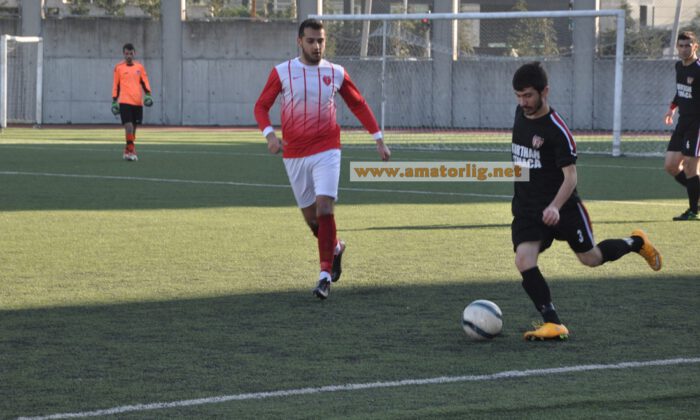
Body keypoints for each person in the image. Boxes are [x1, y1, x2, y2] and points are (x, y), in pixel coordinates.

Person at [510, 62, 662, 341]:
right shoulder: (521, 114)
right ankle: (553, 323)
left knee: (590, 258)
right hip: (528, 209)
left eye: (528, 95)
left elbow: (571, 178)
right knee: (524, 259)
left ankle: (636, 242)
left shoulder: (557, 131)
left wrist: (555, 206)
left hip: (564, 207)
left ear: (545, 91)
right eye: (518, 96)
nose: (523, 102)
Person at [254, 18, 391, 300]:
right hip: (294, 154)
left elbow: (358, 104)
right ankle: (336, 247)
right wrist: (270, 136)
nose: (317, 46)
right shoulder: (282, 72)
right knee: (313, 221)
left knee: (325, 208)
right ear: (299, 42)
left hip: (328, 149)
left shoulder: (336, 72)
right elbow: (261, 106)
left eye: (321, 40)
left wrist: (378, 138)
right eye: (311, 41)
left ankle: (324, 276)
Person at [663, 31, 700, 221]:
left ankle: (693, 211)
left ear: (696, 47)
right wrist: (672, 109)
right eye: (681, 45)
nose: (684, 49)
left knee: (690, 167)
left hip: (697, 125)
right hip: (683, 122)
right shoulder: (679, 66)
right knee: (671, 165)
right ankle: (697, 194)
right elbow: (681, 91)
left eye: (688, 46)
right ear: (677, 47)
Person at [112, 43, 153, 162]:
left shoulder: (139, 67)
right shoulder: (118, 67)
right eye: (126, 53)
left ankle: (127, 150)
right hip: (125, 102)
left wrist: (148, 95)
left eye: (131, 53)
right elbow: (116, 85)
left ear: (134, 53)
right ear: (123, 54)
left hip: (137, 102)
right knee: (128, 126)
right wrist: (114, 100)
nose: (129, 56)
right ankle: (131, 150)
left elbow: (145, 82)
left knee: (134, 128)